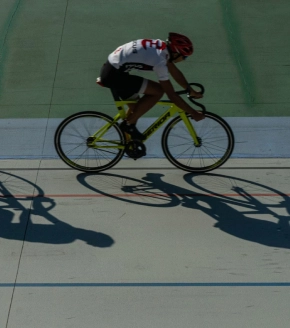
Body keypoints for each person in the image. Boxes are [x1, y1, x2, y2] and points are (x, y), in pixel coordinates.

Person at [98, 32, 204, 140]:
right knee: (158, 90)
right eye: (184, 57)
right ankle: (128, 125)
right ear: (176, 53)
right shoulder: (160, 61)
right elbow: (171, 94)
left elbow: (174, 71)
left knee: (137, 108)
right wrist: (193, 112)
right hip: (114, 75)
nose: (184, 60)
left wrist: (189, 89)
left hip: (113, 70)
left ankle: (128, 141)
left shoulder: (162, 47)